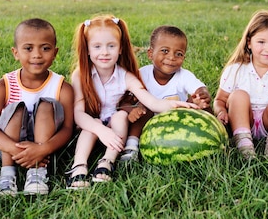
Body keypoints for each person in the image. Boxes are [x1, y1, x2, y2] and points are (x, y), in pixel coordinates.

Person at [66, 15, 198, 189]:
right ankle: (79, 166)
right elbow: (78, 114)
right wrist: (100, 130)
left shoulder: (125, 76)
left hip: (117, 128)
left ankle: (107, 162)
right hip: (90, 126)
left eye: (111, 46)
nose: (104, 52)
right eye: (97, 46)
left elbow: (150, 101)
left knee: (120, 116)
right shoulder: (80, 74)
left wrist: (173, 105)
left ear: (120, 48)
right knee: (95, 122)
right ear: (88, 49)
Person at [0, 18, 74, 196]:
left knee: (47, 106)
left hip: (46, 148)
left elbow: (68, 128)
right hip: (10, 147)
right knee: (16, 109)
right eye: (28, 48)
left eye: (45, 48)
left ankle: (38, 173)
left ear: (55, 53)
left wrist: (43, 149)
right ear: (15, 53)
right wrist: (14, 149)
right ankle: (7, 174)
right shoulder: (4, 85)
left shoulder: (62, 87)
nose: (37, 55)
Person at [213, 10, 268, 160]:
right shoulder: (235, 70)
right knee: (238, 95)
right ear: (249, 42)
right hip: (241, 120)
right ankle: (244, 148)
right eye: (261, 42)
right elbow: (219, 100)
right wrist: (221, 111)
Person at [117, 25, 212, 162]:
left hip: (177, 123)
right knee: (144, 110)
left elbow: (199, 88)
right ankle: (131, 146)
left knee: (202, 107)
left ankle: (215, 134)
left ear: (184, 57)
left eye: (178, 54)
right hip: (146, 123)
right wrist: (132, 110)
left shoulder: (184, 76)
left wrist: (201, 96)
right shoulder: (141, 74)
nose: (171, 57)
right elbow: (124, 101)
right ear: (150, 54)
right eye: (165, 51)